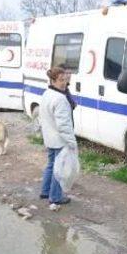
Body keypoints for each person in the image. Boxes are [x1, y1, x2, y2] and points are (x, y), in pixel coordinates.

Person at [39, 66, 77, 205]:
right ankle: (55, 197)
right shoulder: (60, 98)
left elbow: (42, 117)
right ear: (53, 81)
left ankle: (45, 191)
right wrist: (71, 142)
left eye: (65, 80)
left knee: (51, 165)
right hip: (59, 140)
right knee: (59, 169)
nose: (64, 83)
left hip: (49, 137)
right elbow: (64, 125)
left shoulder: (47, 93)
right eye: (61, 80)